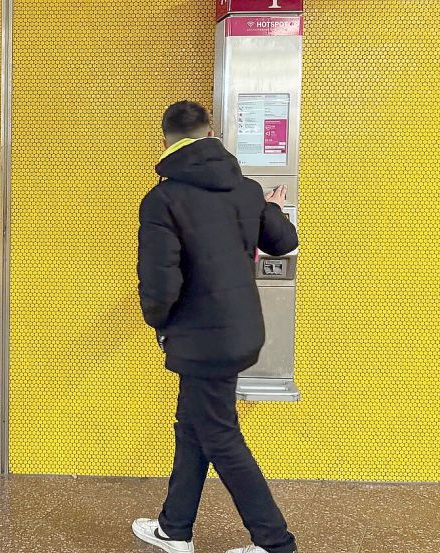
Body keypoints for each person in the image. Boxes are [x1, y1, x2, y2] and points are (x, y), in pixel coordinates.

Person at [131, 100, 299, 553]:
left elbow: (160, 281)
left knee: (220, 436)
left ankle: (274, 542)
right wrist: (271, 209)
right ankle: (174, 528)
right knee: (192, 425)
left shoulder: (162, 199)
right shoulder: (245, 189)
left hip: (201, 340)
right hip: (242, 330)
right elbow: (284, 243)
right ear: (210, 134)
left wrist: (161, 324)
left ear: (165, 139)